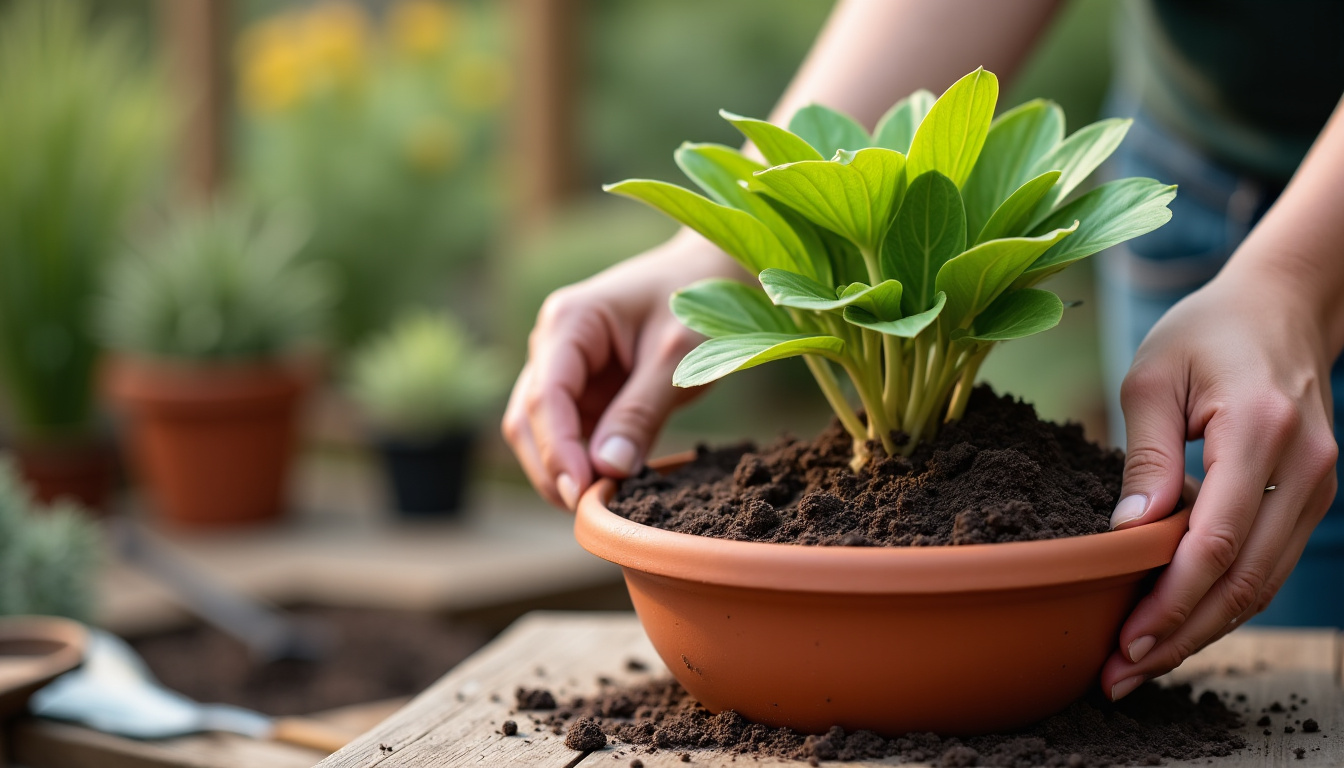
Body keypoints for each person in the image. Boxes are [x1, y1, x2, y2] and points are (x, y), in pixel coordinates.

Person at [502, 0, 1344, 703]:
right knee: (1253, 648)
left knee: (1285, 666)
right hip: (1207, 151)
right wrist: (722, 250)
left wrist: (1298, 280)